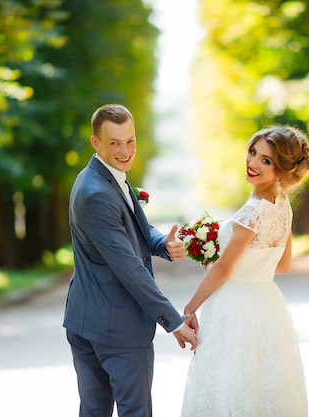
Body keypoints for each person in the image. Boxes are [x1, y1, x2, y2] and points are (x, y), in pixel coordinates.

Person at [63, 103, 197, 417]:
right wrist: (173, 322)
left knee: (94, 411)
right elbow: (130, 269)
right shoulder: (97, 192)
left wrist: (162, 243)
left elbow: (135, 227)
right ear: (95, 142)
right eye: (115, 143)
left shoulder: (105, 176)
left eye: (131, 141)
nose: (126, 151)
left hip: (87, 319)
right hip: (116, 329)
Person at [180, 125, 309, 417]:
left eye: (266, 161)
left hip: (235, 306)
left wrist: (189, 310)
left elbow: (224, 269)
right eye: (253, 152)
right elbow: (283, 264)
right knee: (262, 386)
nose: (253, 163)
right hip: (267, 305)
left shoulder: (253, 212)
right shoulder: (282, 206)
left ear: (280, 170)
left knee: (230, 386)